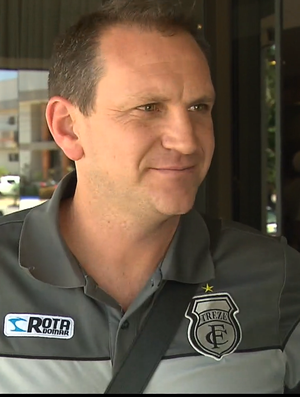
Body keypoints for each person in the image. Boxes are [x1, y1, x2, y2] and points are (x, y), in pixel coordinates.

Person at [0, 0, 300, 393]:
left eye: (199, 107)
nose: (187, 140)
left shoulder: (276, 279)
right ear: (69, 128)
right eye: (149, 107)